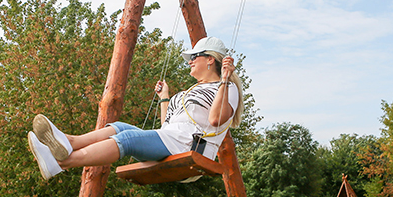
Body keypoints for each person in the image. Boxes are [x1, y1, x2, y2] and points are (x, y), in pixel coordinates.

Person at [27, 36, 244, 180]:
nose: (189, 61)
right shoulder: (191, 91)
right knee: (121, 127)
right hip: (173, 139)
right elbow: (166, 126)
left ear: (210, 60)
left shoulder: (227, 89)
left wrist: (224, 80)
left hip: (190, 148)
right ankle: (69, 141)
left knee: (129, 139)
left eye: (194, 57)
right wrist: (165, 97)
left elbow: (216, 120)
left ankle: (60, 162)